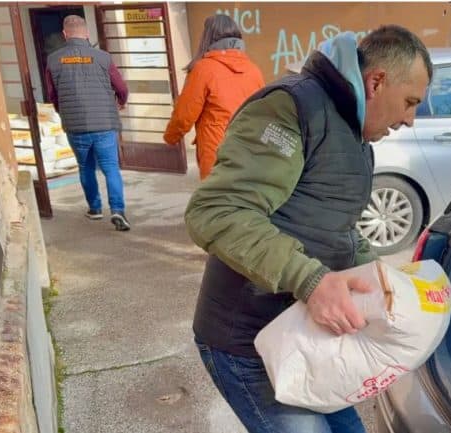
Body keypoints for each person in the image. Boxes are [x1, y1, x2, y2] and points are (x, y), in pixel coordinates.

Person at [184, 25, 432, 433]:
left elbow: (339, 228)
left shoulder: (354, 133)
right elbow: (217, 211)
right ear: (376, 81)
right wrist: (311, 280)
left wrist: (386, 282)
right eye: (409, 102)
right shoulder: (292, 108)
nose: (410, 119)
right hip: (249, 344)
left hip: (302, 335)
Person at [46, 15, 130, 231]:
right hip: (104, 123)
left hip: (76, 126)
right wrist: (121, 101)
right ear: (87, 34)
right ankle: (118, 211)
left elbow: (52, 94)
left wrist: (62, 111)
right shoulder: (102, 57)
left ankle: (95, 208)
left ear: (65, 35)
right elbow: (120, 87)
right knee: (111, 167)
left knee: (86, 167)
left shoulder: (54, 60)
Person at [163, 15, 265, 180]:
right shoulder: (254, 70)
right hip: (249, 150)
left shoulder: (203, 70)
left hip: (216, 152)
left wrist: (171, 137)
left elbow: (184, 115)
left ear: (207, 37)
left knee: (216, 202)